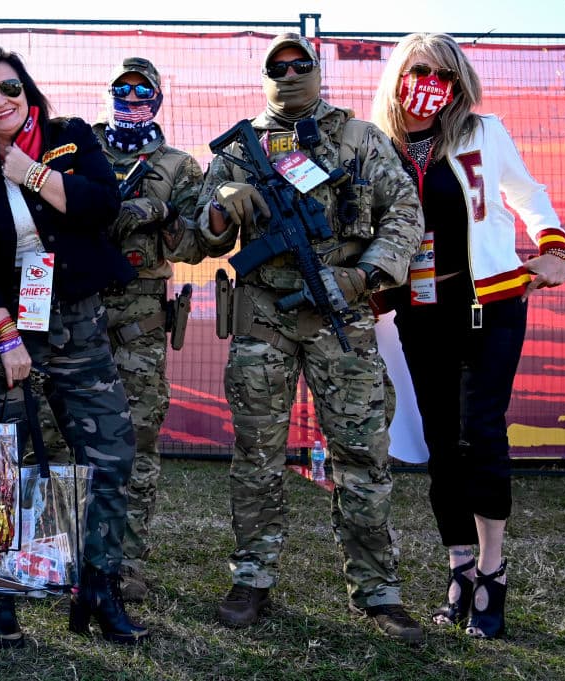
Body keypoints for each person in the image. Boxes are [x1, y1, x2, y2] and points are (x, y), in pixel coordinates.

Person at [197, 33, 425, 643]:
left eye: (302, 65)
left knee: (362, 456)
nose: (291, 74)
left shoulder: (359, 139)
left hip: (342, 312)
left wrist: (362, 274)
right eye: (279, 67)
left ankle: (378, 591)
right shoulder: (241, 147)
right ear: (265, 74)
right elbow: (204, 233)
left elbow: (404, 212)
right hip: (263, 314)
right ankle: (252, 578)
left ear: (318, 71)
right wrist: (222, 202)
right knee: (257, 454)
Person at [371, 32, 565, 640]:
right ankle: (459, 569)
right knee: (439, 438)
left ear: (458, 83)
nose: (428, 82)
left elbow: (526, 194)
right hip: (419, 308)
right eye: (417, 69)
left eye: (443, 73)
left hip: (490, 302)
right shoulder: (378, 146)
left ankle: (492, 572)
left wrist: (553, 246)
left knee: (480, 431)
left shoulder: (484, 132)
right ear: (397, 76)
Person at [0, 45, 147, 648]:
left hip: (80, 327)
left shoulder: (68, 135)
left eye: (10, 89)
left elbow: (103, 203)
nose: (1, 102)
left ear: (28, 91)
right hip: (6, 335)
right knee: (2, 468)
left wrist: (31, 171)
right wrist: (4, 334)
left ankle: (99, 587)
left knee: (111, 458)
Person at [93, 57, 208, 601]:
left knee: (136, 442)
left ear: (158, 100)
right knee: (60, 434)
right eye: (122, 88)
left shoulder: (178, 166)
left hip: (139, 322)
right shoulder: (82, 145)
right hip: (75, 310)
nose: (131, 97)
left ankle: (126, 561)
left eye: (143, 91)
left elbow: (199, 245)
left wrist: (158, 211)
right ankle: (64, 553)